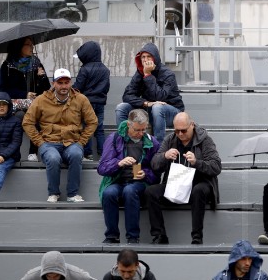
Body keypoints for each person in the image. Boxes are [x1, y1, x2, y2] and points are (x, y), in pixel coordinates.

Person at [22, 68, 98, 203]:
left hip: (73, 142)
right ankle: (53, 193)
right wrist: (40, 142)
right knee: (53, 158)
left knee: (76, 154)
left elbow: (92, 122)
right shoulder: (41, 100)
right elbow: (27, 122)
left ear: (71, 83)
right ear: (53, 84)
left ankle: (72, 194)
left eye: (66, 82)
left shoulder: (81, 99)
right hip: (49, 143)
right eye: (60, 82)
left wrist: (81, 142)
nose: (64, 86)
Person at [144, 112, 221, 244]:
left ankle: (197, 237)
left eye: (183, 130)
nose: (180, 134)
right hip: (175, 185)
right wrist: (164, 156)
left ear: (192, 125)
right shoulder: (170, 139)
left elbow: (216, 167)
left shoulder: (205, 140)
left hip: (199, 184)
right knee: (150, 191)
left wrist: (197, 162)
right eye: (177, 130)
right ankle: (159, 235)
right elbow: (155, 165)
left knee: (199, 190)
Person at [97, 109, 160, 244]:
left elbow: (157, 172)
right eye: (137, 130)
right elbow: (102, 168)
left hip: (138, 182)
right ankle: (111, 235)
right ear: (129, 125)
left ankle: (133, 236)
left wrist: (146, 174)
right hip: (116, 180)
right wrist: (119, 163)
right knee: (109, 193)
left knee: (130, 191)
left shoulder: (152, 141)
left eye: (144, 129)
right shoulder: (114, 138)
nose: (141, 133)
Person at [116, 43, 184, 144]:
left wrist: (148, 75)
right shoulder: (140, 72)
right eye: (143, 57)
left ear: (155, 58)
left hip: (172, 112)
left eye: (149, 56)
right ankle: (125, 143)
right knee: (121, 107)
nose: (145, 60)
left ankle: (158, 146)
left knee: (157, 107)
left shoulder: (167, 74)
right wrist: (145, 103)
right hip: (149, 110)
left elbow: (161, 97)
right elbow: (127, 95)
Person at [0, 36, 51, 161]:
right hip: (15, 104)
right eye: (28, 44)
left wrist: (41, 77)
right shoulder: (7, 66)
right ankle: (13, 153)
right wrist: (24, 94)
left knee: (37, 114)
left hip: (34, 104)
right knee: (20, 117)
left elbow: (47, 90)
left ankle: (33, 152)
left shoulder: (36, 64)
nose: (31, 47)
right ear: (19, 46)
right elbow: (2, 90)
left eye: (32, 44)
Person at [75, 41, 111, 160]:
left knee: (87, 128)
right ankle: (103, 154)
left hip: (87, 103)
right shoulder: (105, 70)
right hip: (100, 103)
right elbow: (107, 87)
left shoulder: (85, 69)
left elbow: (78, 87)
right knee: (99, 129)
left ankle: (87, 153)